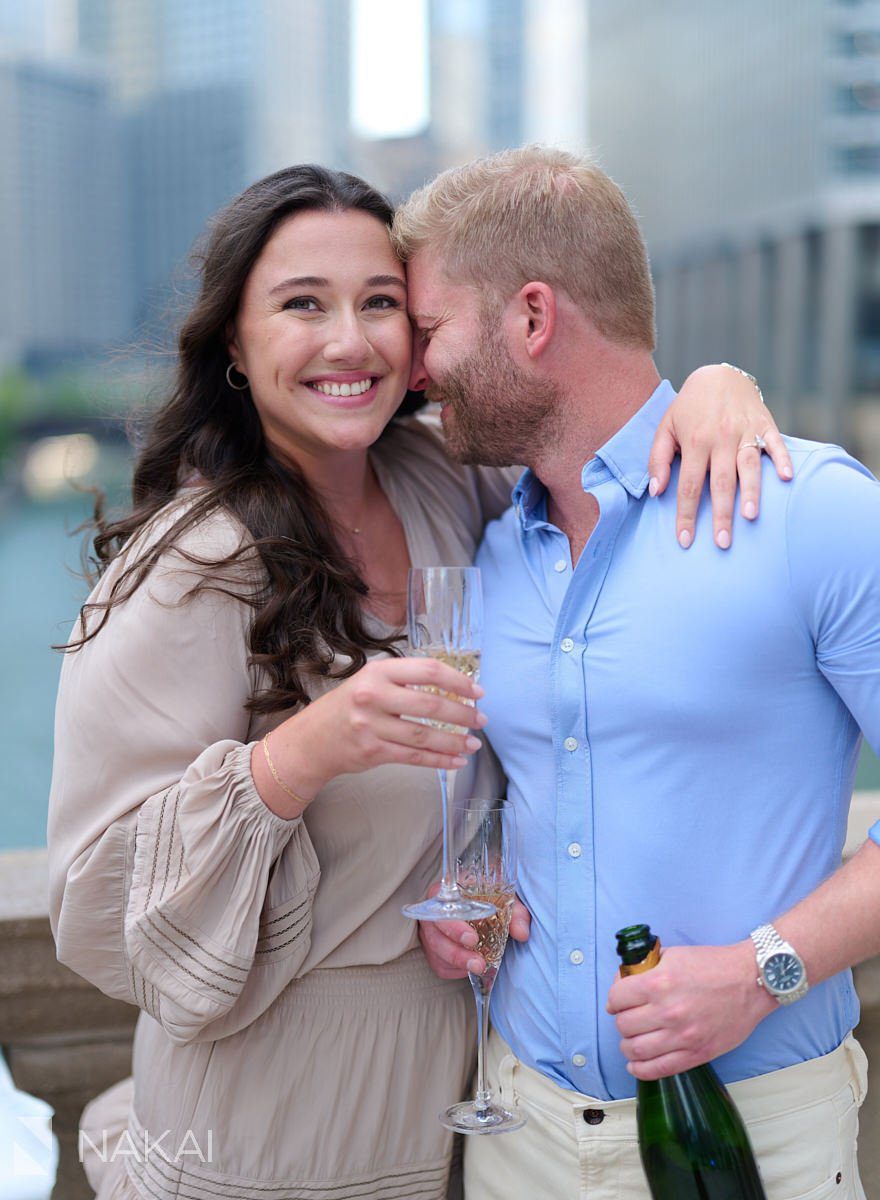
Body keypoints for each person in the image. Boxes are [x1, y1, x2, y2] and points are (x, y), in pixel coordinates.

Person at [48, 163, 776, 1200]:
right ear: (234, 352)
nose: (350, 341)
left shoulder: (445, 481)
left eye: (381, 305)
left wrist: (715, 388)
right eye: (303, 305)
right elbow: (96, 909)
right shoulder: (188, 568)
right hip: (269, 1134)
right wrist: (301, 754)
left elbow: (586, 422)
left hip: (456, 1118)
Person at [403, 145, 880, 1200]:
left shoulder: (816, 517)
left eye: (430, 329)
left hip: (759, 1138)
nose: (413, 367)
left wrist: (765, 971)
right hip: (516, 1132)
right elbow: (526, 786)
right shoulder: (485, 558)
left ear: (532, 319)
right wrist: (471, 895)